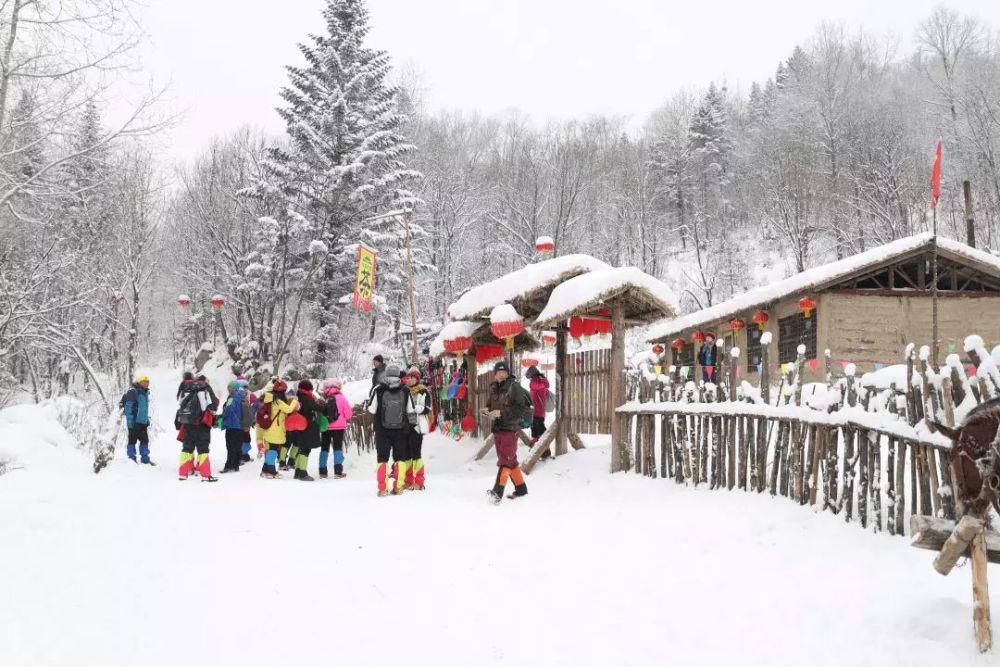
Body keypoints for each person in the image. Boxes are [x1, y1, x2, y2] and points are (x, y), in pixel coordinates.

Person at [485, 361, 531, 502]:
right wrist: (487, 411)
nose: (501, 374)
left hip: (510, 429)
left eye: (504, 371)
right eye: (499, 372)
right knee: (510, 461)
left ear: (507, 373)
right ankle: (521, 489)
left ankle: (497, 492)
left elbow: (520, 408)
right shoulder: (493, 387)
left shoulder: (514, 386)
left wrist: (502, 413)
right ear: (495, 374)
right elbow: (490, 405)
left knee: (505, 461)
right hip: (498, 429)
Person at [367, 365, 414, 496]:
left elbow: (371, 409)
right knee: (400, 458)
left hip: (382, 430)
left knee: (382, 458)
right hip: (400, 430)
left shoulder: (379, 389)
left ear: (386, 374)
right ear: (398, 374)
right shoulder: (405, 389)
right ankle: (398, 487)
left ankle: (382, 489)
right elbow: (411, 410)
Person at [176, 375, 219, 482]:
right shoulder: (205, 388)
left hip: (188, 423)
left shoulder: (186, 388)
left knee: (187, 448)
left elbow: (180, 402)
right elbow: (213, 405)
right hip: (202, 423)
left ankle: (183, 473)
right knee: (203, 449)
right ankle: (205, 475)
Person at [259, 379, 299, 479]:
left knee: (272, 449)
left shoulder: (270, 399)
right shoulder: (278, 401)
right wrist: (295, 400)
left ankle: (265, 470)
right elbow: (289, 409)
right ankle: (271, 471)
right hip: (276, 429)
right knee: (273, 450)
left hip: (270, 428)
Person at [400, 367, 431, 492]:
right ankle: (408, 480)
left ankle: (419, 481)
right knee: (406, 454)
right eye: (409, 377)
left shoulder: (423, 391)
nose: (410, 379)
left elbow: (427, 408)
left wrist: (414, 408)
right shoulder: (404, 391)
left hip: (417, 427)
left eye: (413, 377)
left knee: (416, 454)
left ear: (418, 379)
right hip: (405, 426)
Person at [291, 379, 324, 481]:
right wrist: (322, 403)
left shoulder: (298, 397)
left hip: (299, 427)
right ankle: (303, 472)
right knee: (306, 450)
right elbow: (319, 408)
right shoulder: (307, 399)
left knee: (301, 449)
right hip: (307, 427)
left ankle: (297, 471)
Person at [321, 379, 353, 479]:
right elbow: (348, 414)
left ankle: (322, 471)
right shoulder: (341, 398)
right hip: (339, 427)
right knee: (338, 448)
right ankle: (338, 472)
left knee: (324, 448)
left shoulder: (323, 398)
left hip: (325, 426)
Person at [220, 380, 253, 473]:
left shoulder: (232, 397)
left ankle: (228, 466)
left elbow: (229, 409)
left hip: (232, 425)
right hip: (240, 426)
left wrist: (223, 418)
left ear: (233, 388)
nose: (228, 389)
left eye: (229, 387)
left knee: (230, 446)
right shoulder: (243, 396)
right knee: (237, 446)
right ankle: (235, 465)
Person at [123, 374, 154, 465]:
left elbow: (144, 408)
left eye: (148, 382)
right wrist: (130, 421)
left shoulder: (145, 393)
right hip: (134, 422)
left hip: (142, 422)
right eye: (145, 382)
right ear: (140, 382)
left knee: (145, 440)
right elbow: (129, 407)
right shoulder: (133, 391)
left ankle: (145, 459)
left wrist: (146, 420)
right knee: (132, 440)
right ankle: (131, 459)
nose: (147, 383)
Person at [525, 365, 551, 460]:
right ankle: (536, 449)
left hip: (538, 411)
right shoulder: (539, 381)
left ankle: (545, 451)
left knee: (540, 431)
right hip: (535, 410)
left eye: (530, 377)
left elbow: (536, 387)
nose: (530, 380)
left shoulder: (537, 382)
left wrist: (532, 383)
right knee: (535, 431)